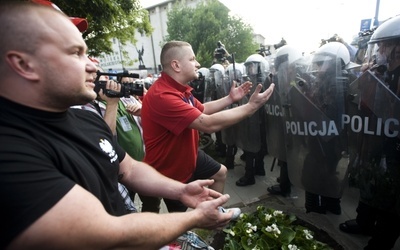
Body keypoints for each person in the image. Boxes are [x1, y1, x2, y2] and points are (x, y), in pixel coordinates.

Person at [0, 3, 235, 249]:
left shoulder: (87, 119)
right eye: (75, 53)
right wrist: (194, 218)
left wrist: (181, 191)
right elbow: (107, 233)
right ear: (23, 64)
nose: (92, 66)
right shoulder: (10, 152)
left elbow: (130, 170)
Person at [141, 40, 275, 212]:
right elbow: (208, 124)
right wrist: (250, 107)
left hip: (187, 156)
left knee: (220, 172)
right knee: (179, 217)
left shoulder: (180, 90)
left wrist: (230, 99)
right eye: (192, 59)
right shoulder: (163, 95)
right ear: (176, 65)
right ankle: (203, 220)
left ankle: (213, 213)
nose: (198, 64)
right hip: (168, 169)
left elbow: (202, 110)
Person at [339, 15, 400, 250]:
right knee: (372, 181)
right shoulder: (383, 71)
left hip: (394, 146)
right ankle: (364, 221)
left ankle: (380, 241)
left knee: (391, 198)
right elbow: (366, 104)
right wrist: (369, 76)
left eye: (385, 45)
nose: (380, 50)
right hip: (376, 138)